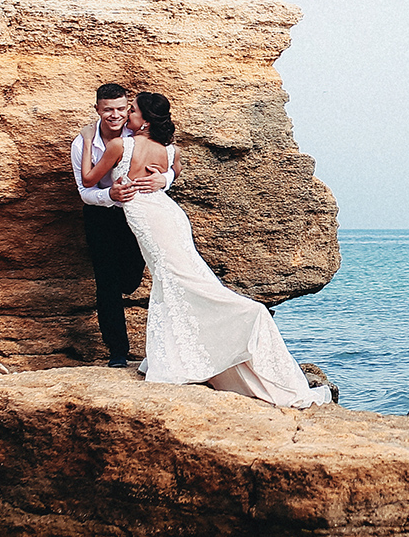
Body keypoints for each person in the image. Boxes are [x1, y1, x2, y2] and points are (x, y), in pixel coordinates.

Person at [81, 92, 332, 408]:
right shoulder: (170, 150)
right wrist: (166, 177)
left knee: (176, 278)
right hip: (167, 215)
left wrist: (88, 141)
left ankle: (232, 325)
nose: (126, 114)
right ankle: (177, 353)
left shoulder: (120, 145)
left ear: (144, 121)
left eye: (132, 110)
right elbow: (175, 168)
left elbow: (88, 179)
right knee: (176, 278)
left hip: (153, 218)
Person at [70, 83, 171, 368]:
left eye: (121, 109)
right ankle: (117, 352)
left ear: (128, 109)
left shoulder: (137, 133)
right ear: (97, 110)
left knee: (130, 280)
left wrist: (164, 180)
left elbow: (171, 159)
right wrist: (109, 195)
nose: (115, 115)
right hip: (101, 216)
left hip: (136, 216)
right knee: (107, 284)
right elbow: (85, 190)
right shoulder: (81, 144)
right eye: (107, 110)